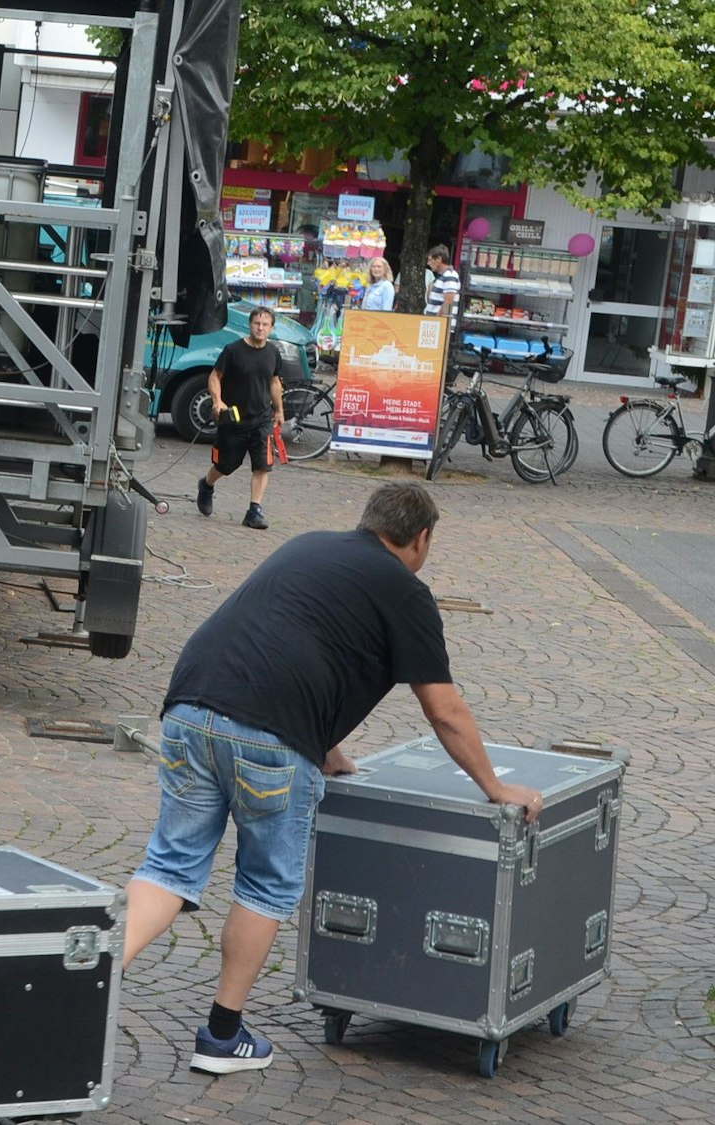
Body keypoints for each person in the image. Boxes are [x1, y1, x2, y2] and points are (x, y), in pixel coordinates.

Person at [121, 482, 545, 1075]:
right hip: (271, 739)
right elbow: (445, 711)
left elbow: (279, 641)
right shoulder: (407, 592)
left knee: (168, 868)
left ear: (367, 522)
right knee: (265, 886)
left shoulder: (309, 546)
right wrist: (497, 789)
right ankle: (222, 1037)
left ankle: (89, 980)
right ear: (421, 539)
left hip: (190, 706)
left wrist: (325, 744)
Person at [196, 306, 285, 530]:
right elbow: (215, 377)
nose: (261, 328)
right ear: (250, 324)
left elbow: (274, 382)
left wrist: (279, 411)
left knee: (262, 466)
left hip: (262, 419)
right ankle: (207, 485)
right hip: (233, 420)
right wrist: (217, 401)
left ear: (271, 328)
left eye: (265, 325)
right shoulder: (233, 350)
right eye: (257, 323)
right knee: (226, 465)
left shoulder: (273, 352)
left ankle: (254, 510)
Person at [425, 244, 462, 320]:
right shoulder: (442, 277)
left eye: (430, 260)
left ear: (439, 259)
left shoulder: (450, 275)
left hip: (440, 326)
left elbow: (448, 301)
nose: (428, 263)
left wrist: (437, 321)